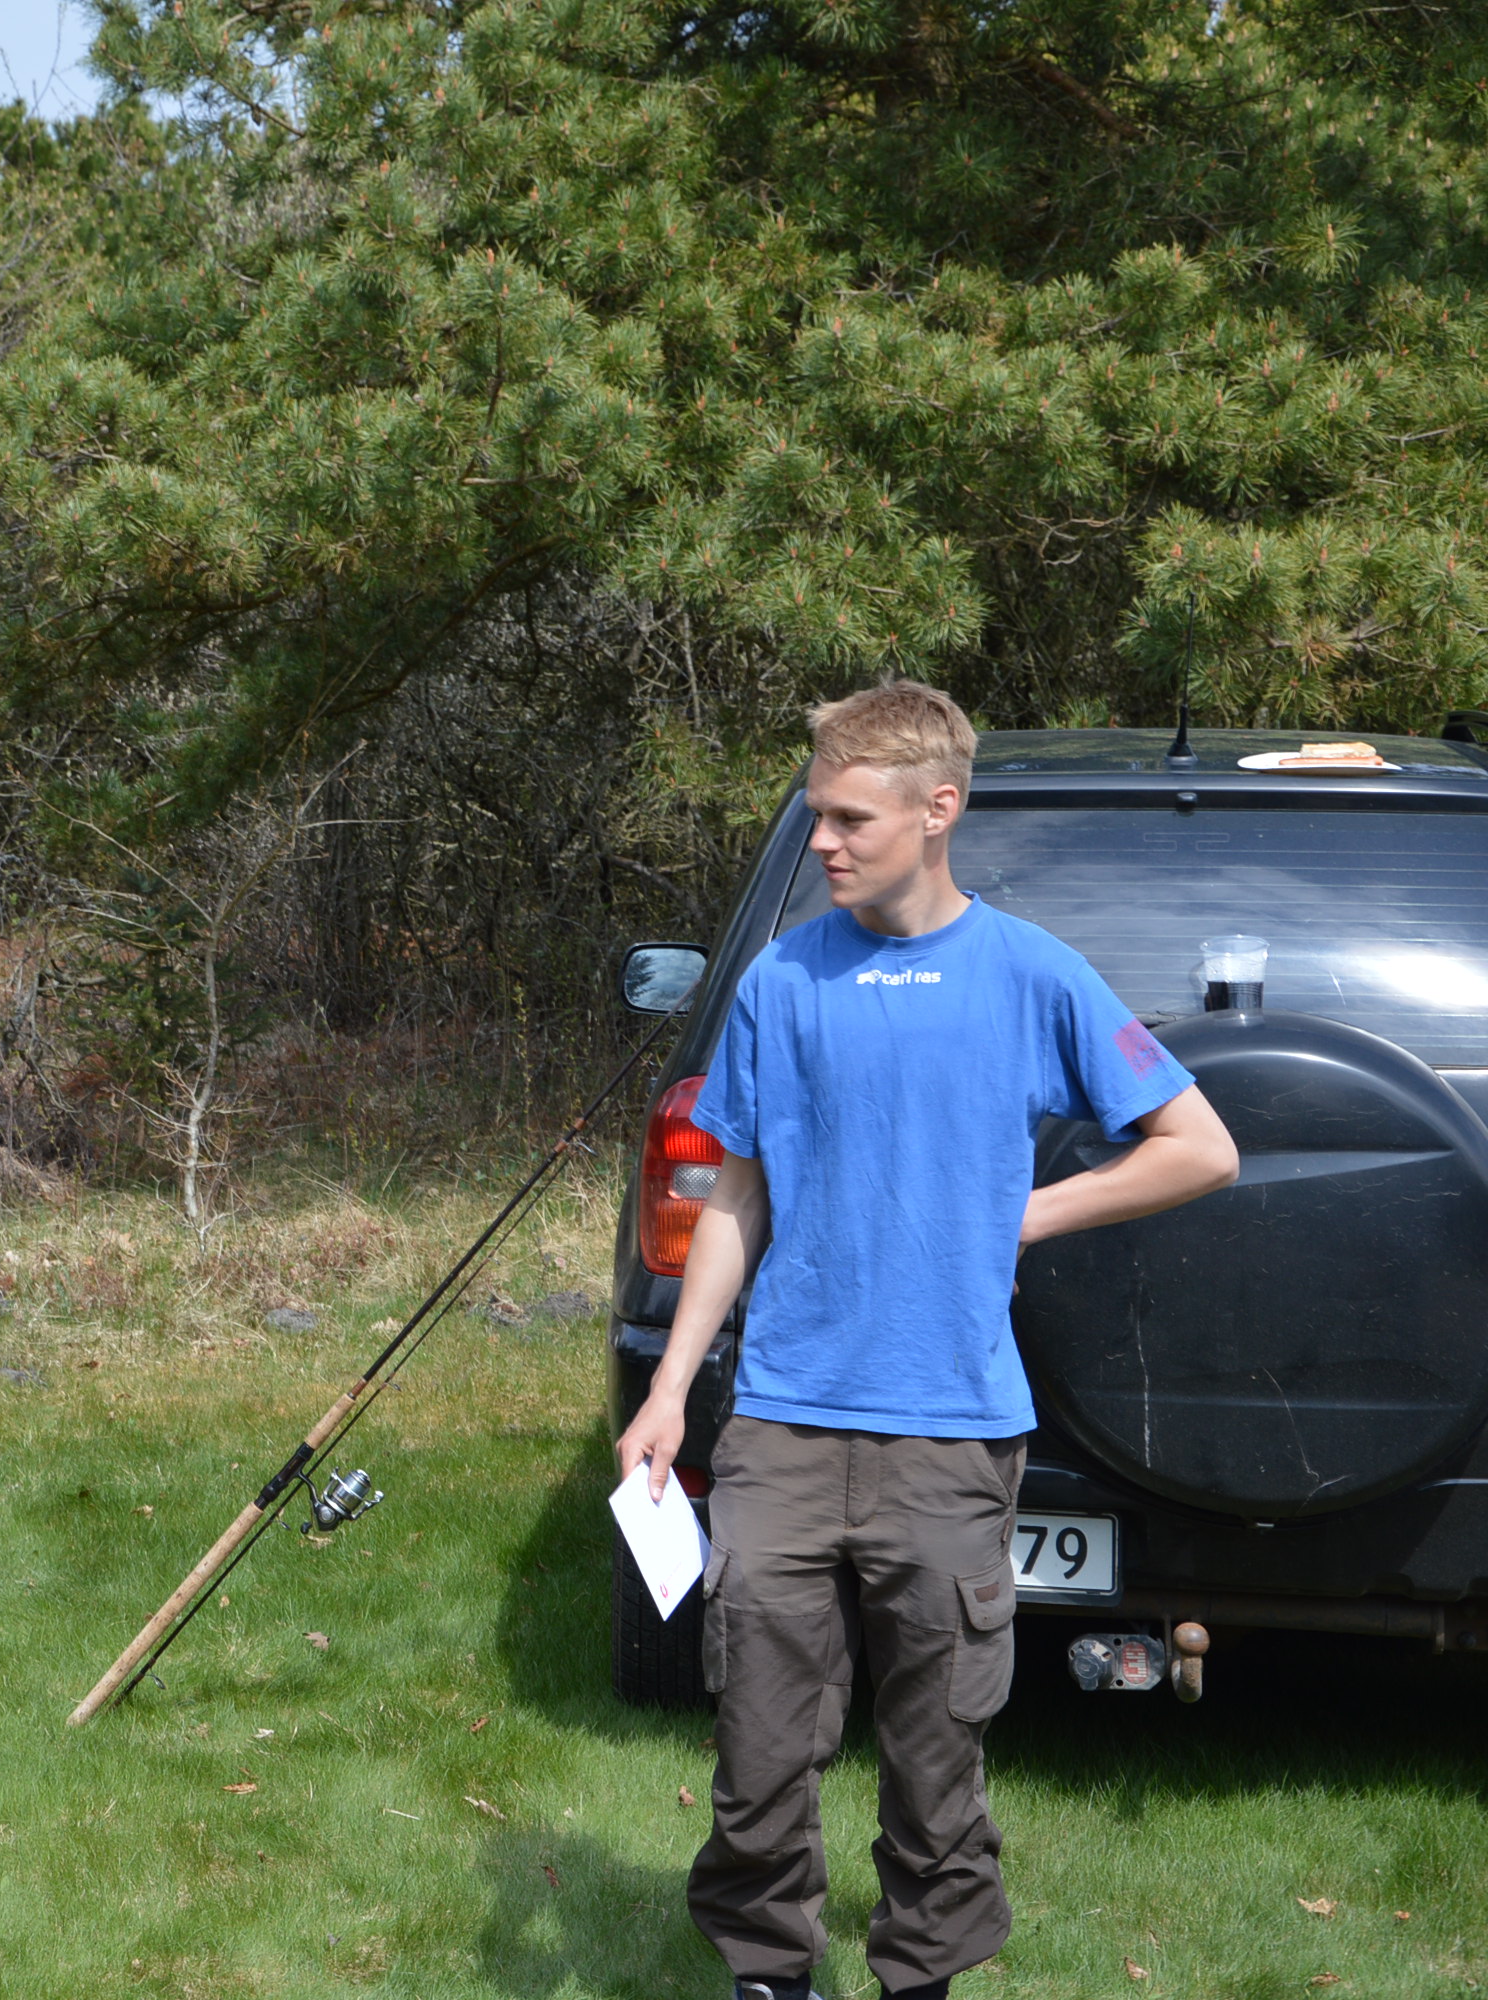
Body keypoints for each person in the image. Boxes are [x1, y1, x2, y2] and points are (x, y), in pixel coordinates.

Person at [613, 681, 1239, 2000]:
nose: (823, 842)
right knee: (759, 1747)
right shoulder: (785, 978)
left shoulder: (1028, 973)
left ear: (938, 809)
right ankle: (770, 1976)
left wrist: (1023, 1214)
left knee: (935, 1759)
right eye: (817, 815)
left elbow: (1199, 1148)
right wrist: (671, 1389)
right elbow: (736, 1194)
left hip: (951, 1431)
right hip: (782, 1420)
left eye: (850, 819)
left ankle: (922, 1978)